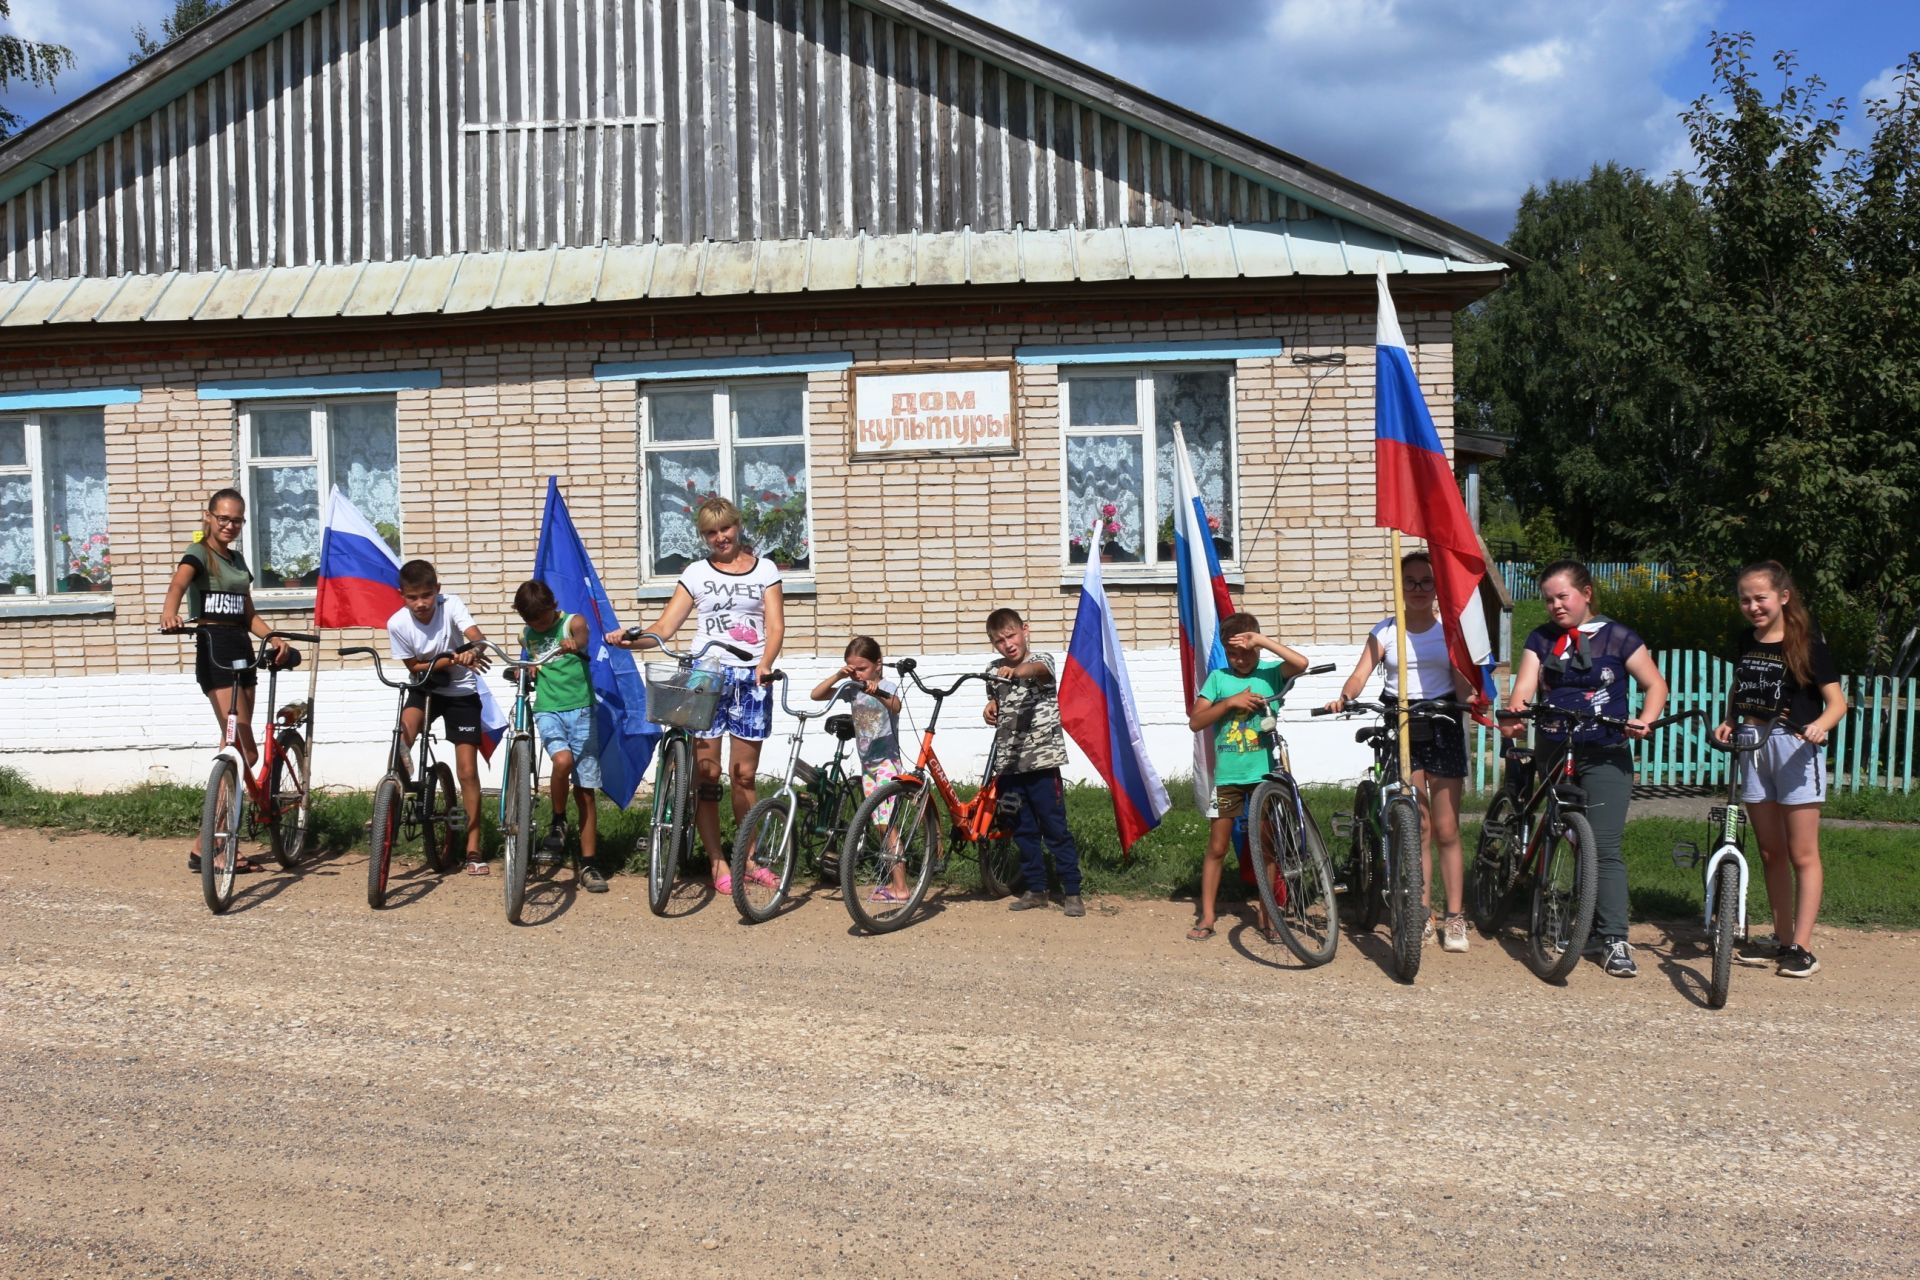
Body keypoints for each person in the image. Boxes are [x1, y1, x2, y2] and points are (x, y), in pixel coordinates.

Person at [606, 496, 783, 894]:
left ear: (737, 526)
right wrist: (628, 641)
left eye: (726, 529)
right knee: (707, 775)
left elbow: (774, 625)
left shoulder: (766, 570)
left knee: (745, 776)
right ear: (703, 536)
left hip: (751, 677)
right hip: (706, 676)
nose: (720, 537)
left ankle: (749, 858)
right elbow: (665, 627)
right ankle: (717, 860)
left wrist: (766, 662)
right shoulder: (697, 573)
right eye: (711, 532)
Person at [1503, 560, 1669, 978]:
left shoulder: (1619, 637)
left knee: (1604, 844)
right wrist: (1517, 710)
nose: (1556, 605)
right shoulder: (1541, 638)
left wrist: (1645, 719)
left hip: (1606, 750)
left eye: (1564, 596)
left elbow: (1655, 684)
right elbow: (1524, 685)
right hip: (1556, 747)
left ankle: (1613, 938)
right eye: (1549, 599)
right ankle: (1559, 912)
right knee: (1563, 833)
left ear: (1587, 593)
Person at [1324, 550, 1476, 953]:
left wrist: (1475, 698)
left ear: (1437, 588)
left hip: (1442, 722)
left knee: (1446, 828)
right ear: (1399, 585)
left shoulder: (1450, 633)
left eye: (1427, 581)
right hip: (1401, 724)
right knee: (1418, 826)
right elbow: (1361, 674)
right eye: (1410, 581)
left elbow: (1464, 683)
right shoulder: (1386, 631)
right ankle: (1421, 912)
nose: (1418, 589)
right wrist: (1345, 697)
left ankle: (1455, 916)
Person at [1711, 560, 1846, 978]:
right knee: (1771, 852)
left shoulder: (1807, 643)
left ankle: (1802, 947)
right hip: (1753, 747)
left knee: (1802, 853)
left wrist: (1820, 727)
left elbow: (1838, 703)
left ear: (1783, 597)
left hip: (1794, 749)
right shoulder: (1745, 640)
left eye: (1760, 598)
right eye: (1745, 599)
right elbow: (1743, 687)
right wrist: (1730, 719)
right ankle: (1782, 938)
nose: (1752, 606)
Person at [158, 487, 293, 874]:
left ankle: (205, 845)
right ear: (209, 517)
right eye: (223, 518)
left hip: (241, 647)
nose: (230, 525)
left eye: (237, 520)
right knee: (237, 743)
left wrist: (272, 636)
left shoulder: (236, 560)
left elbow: (247, 613)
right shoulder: (198, 553)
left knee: (244, 751)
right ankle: (213, 847)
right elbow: (177, 586)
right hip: (213, 646)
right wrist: (170, 614)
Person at [1187, 612, 1310, 942]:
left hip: (1262, 779)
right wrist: (1229, 703)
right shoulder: (1219, 678)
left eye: (1247, 651)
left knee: (1265, 848)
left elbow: (1301, 662)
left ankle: (1268, 913)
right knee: (1217, 846)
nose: (1239, 659)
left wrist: (1263, 641)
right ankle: (1208, 914)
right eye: (1233, 653)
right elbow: (1196, 721)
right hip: (1228, 778)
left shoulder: (1270, 674)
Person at [388, 559, 491, 875]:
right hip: (426, 687)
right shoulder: (397, 623)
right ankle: (388, 811)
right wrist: (448, 659)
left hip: (461, 692)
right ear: (401, 595)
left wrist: (472, 649)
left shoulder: (452, 606)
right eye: (412, 597)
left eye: (426, 595)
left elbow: (477, 636)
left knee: (467, 770)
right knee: (401, 738)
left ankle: (473, 848)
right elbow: (414, 668)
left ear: (437, 591)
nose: (420, 603)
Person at [983, 608, 1084, 917]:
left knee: (1055, 828)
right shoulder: (992, 669)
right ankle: (1036, 889)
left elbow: (1038, 671)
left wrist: (1018, 672)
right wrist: (988, 709)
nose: (1007, 644)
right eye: (999, 641)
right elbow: (996, 702)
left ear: (1025, 630)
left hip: (1042, 762)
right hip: (1010, 765)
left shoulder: (1043, 660)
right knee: (1022, 829)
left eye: (1011, 635)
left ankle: (1072, 891)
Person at [513, 579, 607, 894]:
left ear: (553, 606)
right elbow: (529, 660)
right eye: (530, 622)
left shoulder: (572, 622)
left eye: (540, 620)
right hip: (548, 709)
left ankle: (589, 863)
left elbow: (582, 638)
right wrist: (525, 669)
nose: (536, 627)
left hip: (580, 711)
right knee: (561, 760)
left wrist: (573, 644)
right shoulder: (527, 633)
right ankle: (557, 818)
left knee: (585, 790)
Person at [811, 636, 908, 899]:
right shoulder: (852, 689)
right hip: (868, 767)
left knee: (887, 827)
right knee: (879, 825)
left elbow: (896, 707)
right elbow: (817, 695)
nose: (858, 673)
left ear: (878, 664)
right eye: (852, 668)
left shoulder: (887, 685)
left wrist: (878, 691)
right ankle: (895, 883)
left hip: (887, 764)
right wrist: (839, 676)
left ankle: (901, 887)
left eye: (862, 668)